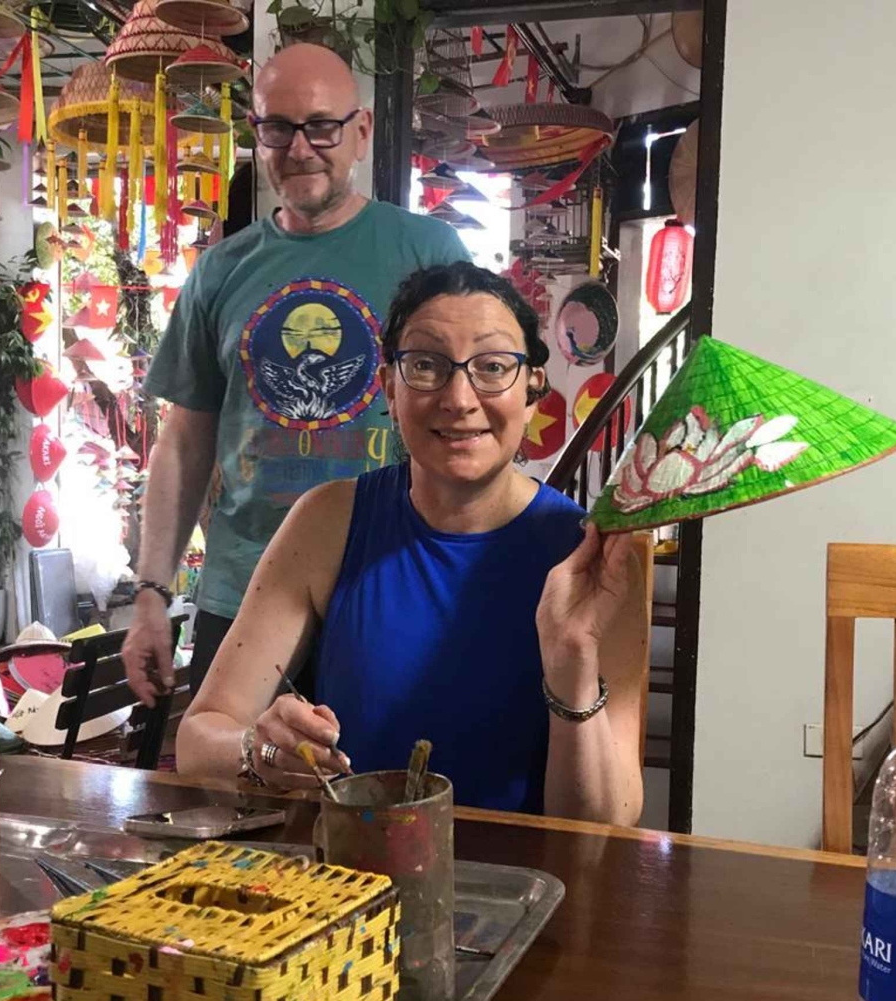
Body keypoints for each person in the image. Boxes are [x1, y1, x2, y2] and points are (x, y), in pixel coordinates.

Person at [155, 263, 646, 825]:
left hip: (521, 877)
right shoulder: (328, 521)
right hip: (351, 870)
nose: (459, 398)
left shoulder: (592, 562)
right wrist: (260, 751)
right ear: (390, 387)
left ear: (532, 389)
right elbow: (199, 738)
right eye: (426, 366)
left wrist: (573, 661)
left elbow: (605, 825)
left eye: (492, 367)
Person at [123, 42, 470, 697]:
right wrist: (150, 593)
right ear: (256, 133)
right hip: (244, 595)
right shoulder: (220, 272)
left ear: (361, 131)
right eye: (278, 128)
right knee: (229, 763)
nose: (301, 148)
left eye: (322, 126)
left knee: (394, 767)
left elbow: (468, 416)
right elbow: (185, 443)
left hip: (392, 588)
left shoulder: (430, 253)